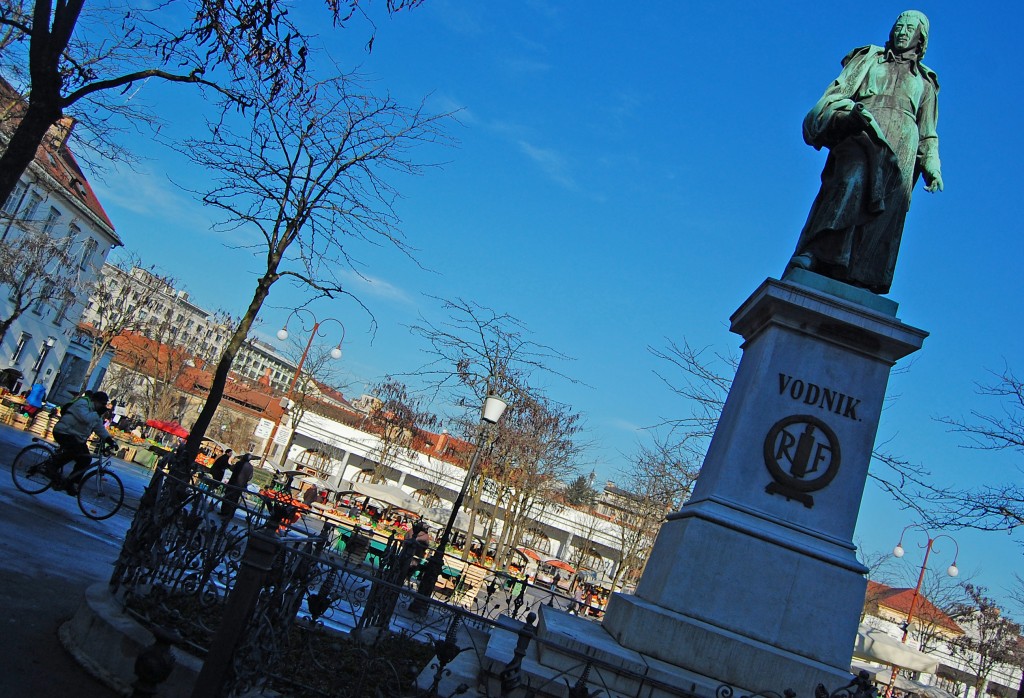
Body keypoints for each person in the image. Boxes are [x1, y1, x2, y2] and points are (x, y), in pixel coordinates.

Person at [785, 11, 942, 295]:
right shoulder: (869, 58)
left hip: (902, 147)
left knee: (885, 214)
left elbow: (928, 131)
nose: (903, 32)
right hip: (862, 129)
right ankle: (816, 253)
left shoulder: (926, 82)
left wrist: (932, 164)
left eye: (910, 29)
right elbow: (838, 91)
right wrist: (843, 115)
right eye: (899, 26)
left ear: (922, 38)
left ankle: (859, 277)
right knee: (850, 180)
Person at [48, 391, 116, 495]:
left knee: (86, 459)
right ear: (96, 401)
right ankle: (52, 466)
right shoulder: (83, 403)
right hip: (63, 432)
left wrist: (110, 441)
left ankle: (71, 483)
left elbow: (99, 428)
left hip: (76, 436)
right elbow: (85, 419)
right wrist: (97, 413)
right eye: (102, 404)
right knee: (75, 451)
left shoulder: (95, 413)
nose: (103, 407)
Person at [220, 452, 256, 518]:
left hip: (233, 483)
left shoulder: (239, 463)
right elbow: (250, 477)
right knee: (235, 500)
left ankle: (224, 511)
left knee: (227, 497)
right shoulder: (250, 467)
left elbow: (231, 468)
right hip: (240, 486)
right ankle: (230, 514)